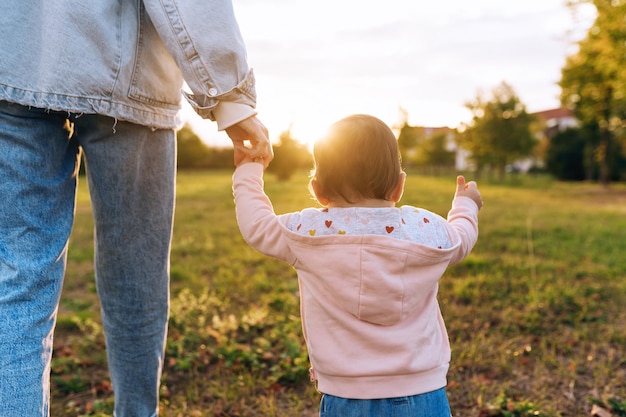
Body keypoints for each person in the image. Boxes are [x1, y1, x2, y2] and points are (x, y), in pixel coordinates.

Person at [0, 2, 273, 416]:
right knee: (136, 284)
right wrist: (231, 97)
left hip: (14, 66)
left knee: (20, 283)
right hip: (125, 77)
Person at [233, 114, 482, 416]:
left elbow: (256, 225)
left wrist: (249, 169)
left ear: (318, 190)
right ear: (399, 187)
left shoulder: (308, 232)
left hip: (346, 396)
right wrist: (465, 205)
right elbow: (462, 238)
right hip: (424, 393)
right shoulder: (425, 229)